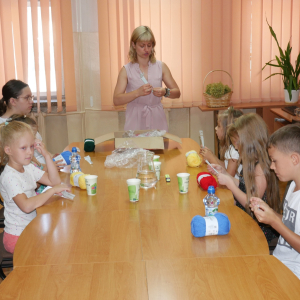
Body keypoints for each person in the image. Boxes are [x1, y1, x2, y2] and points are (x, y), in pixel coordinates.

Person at [208, 113, 281, 244]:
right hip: (247, 220)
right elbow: (243, 185)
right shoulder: (252, 162)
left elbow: (252, 203)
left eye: (237, 142)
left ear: (249, 141)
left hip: (258, 230)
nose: (235, 147)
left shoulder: (261, 168)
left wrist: (230, 184)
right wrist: (225, 173)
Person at [0, 121, 70, 253]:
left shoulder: (28, 167)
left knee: (60, 239)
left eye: (31, 147)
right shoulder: (9, 177)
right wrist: (53, 191)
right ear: (8, 150)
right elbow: (26, 206)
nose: (29, 152)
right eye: (23, 148)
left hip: (30, 228)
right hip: (17, 237)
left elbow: (54, 181)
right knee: (55, 247)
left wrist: (46, 156)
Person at [250, 124, 300, 279]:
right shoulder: (292, 186)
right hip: (280, 262)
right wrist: (270, 214)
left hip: (294, 273)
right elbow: (289, 223)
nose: (271, 167)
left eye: (274, 160)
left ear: (294, 159)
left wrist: (274, 223)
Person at [113, 25, 180, 131]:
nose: (146, 49)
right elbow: (116, 100)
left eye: (149, 45)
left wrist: (165, 92)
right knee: (136, 147)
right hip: (135, 119)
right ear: (133, 45)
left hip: (157, 118)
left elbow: (177, 92)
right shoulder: (126, 70)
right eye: (142, 45)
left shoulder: (161, 67)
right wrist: (137, 93)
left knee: (159, 146)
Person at [0, 80, 62, 166]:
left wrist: (51, 157)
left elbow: (37, 150)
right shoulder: (3, 126)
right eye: (27, 97)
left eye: (31, 97)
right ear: (13, 101)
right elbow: (16, 163)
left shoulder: (26, 120)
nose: (31, 101)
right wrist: (48, 166)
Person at [200, 107, 243, 177]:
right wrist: (211, 155)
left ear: (227, 130)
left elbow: (229, 177)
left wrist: (211, 158)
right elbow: (225, 166)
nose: (215, 128)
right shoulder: (231, 148)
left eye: (219, 126)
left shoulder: (235, 151)